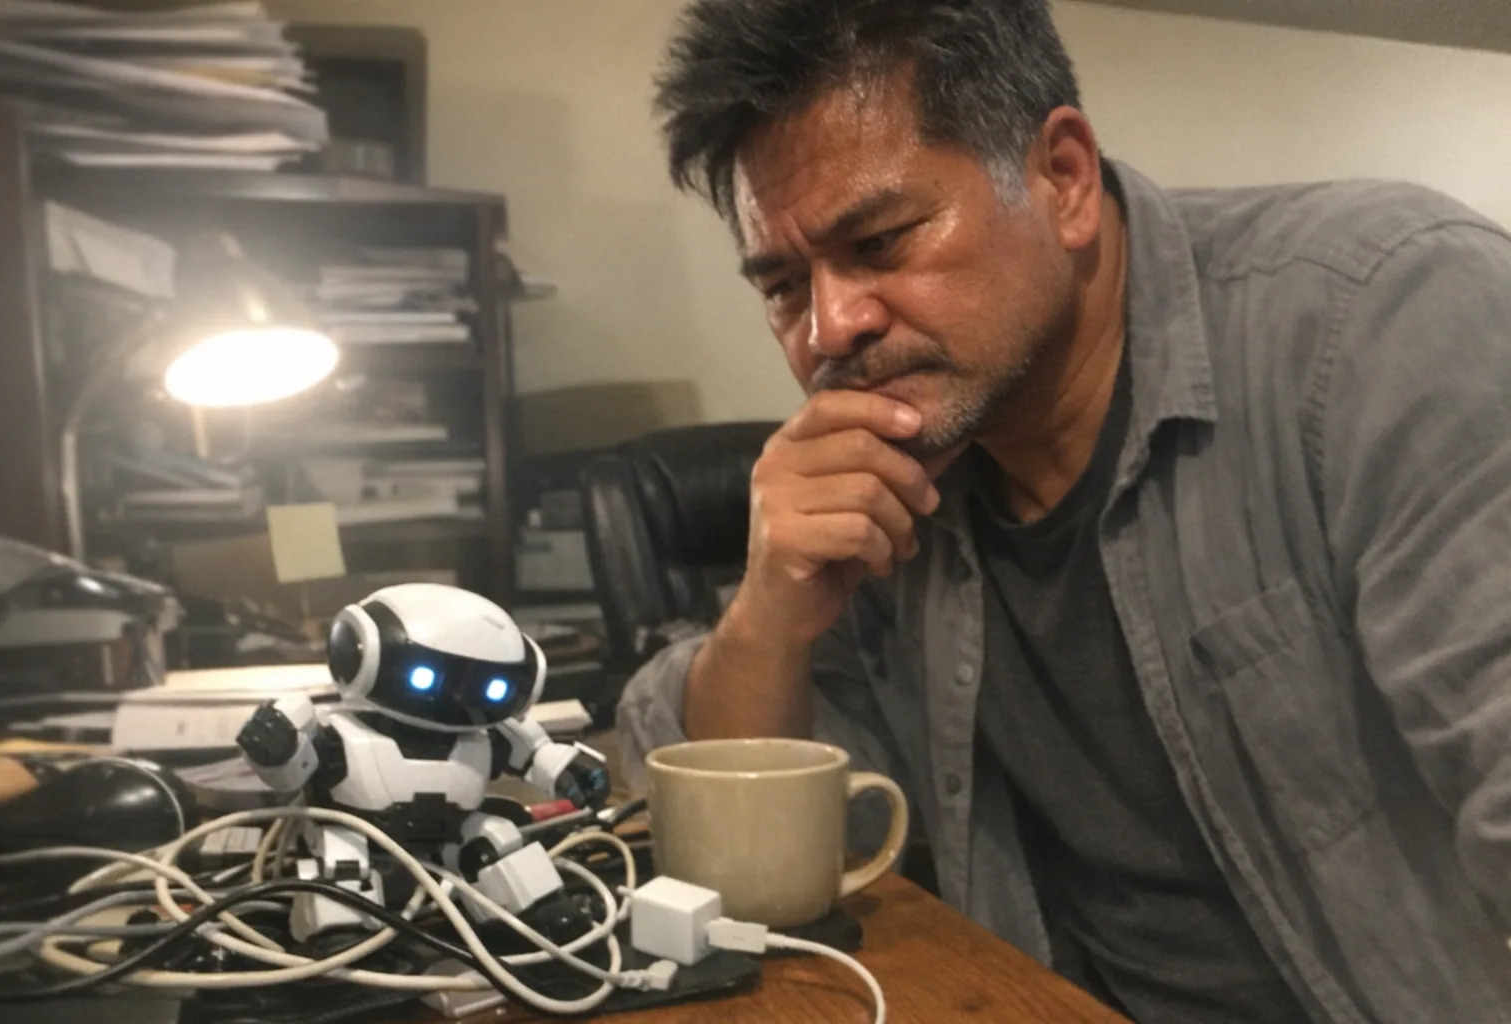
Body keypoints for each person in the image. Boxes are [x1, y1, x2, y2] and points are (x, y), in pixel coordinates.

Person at [616, 2, 1511, 1021]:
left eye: (879, 240)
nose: (830, 327)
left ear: (1064, 179)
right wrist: (771, 611)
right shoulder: (905, 475)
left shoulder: (1382, 317)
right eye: (782, 286)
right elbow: (730, 860)